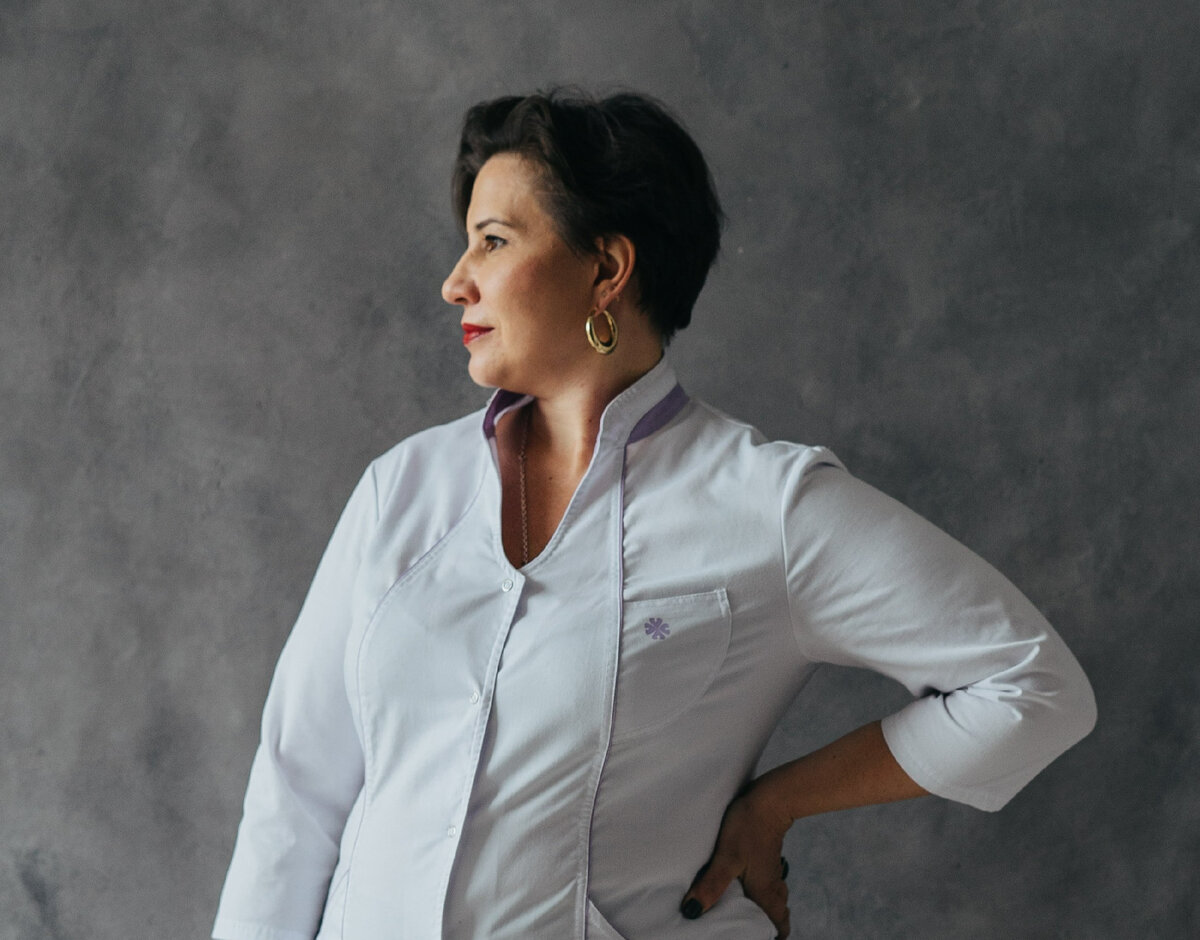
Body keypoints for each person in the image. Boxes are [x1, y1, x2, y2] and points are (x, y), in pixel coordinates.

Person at [212, 89, 1096, 940]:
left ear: (606, 269)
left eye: (492, 242)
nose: (455, 283)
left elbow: (1033, 686)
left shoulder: (767, 507)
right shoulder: (402, 488)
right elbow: (297, 790)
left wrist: (777, 801)